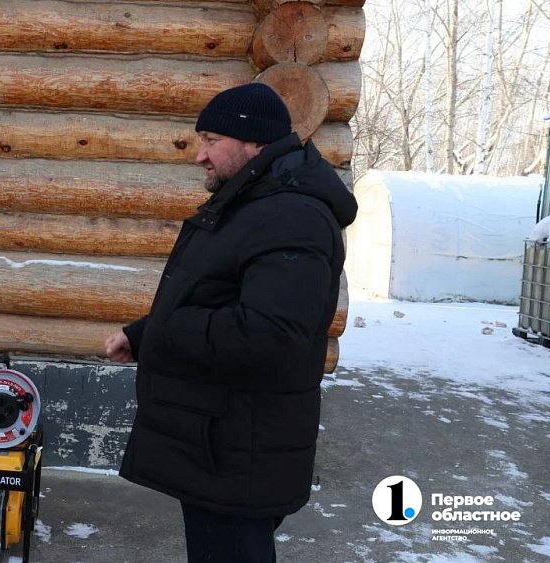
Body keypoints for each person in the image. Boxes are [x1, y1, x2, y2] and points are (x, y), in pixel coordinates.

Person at [104, 83, 357, 562]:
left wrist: (164, 332)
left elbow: (270, 334)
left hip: (241, 448)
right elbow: (215, 292)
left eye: (211, 140)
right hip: (219, 441)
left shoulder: (291, 215)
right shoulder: (254, 202)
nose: (198, 156)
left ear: (255, 142)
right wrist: (143, 334)